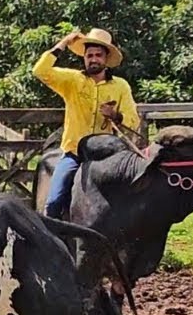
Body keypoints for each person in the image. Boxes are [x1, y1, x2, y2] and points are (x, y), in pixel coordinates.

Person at [32, 27, 140, 219]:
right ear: (84, 58)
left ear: (106, 59)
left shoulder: (120, 86)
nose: (93, 59)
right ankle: (53, 241)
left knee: (133, 199)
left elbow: (133, 120)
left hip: (109, 155)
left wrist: (115, 115)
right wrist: (64, 43)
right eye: (89, 55)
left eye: (98, 55)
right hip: (74, 153)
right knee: (54, 202)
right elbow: (40, 71)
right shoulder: (72, 80)